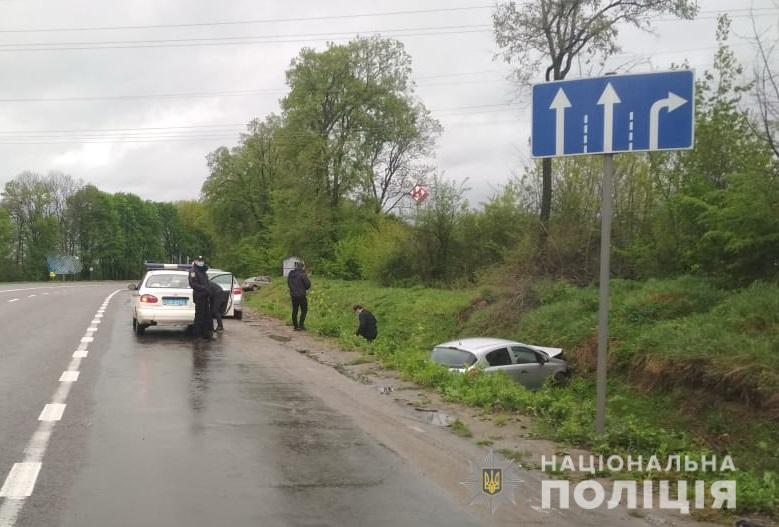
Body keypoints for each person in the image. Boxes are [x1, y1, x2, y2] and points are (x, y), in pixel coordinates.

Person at [188, 256, 213, 340]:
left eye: (202, 260)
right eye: (199, 260)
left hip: (205, 296)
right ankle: (196, 335)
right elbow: (193, 284)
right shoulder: (193, 271)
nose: (201, 262)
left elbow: (206, 282)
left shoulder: (202, 271)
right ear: (195, 261)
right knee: (199, 316)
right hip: (199, 296)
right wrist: (204, 288)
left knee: (207, 316)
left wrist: (209, 290)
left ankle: (206, 335)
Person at [287, 261, 310, 331]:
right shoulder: (302, 274)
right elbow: (308, 285)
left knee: (295, 310)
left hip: (293, 295)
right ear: (302, 267)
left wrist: (293, 290)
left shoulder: (290, 274)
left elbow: (289, 284)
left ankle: (295, 326)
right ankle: (301, 325)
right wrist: (304, 288)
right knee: (304, 310)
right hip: (301, 295)